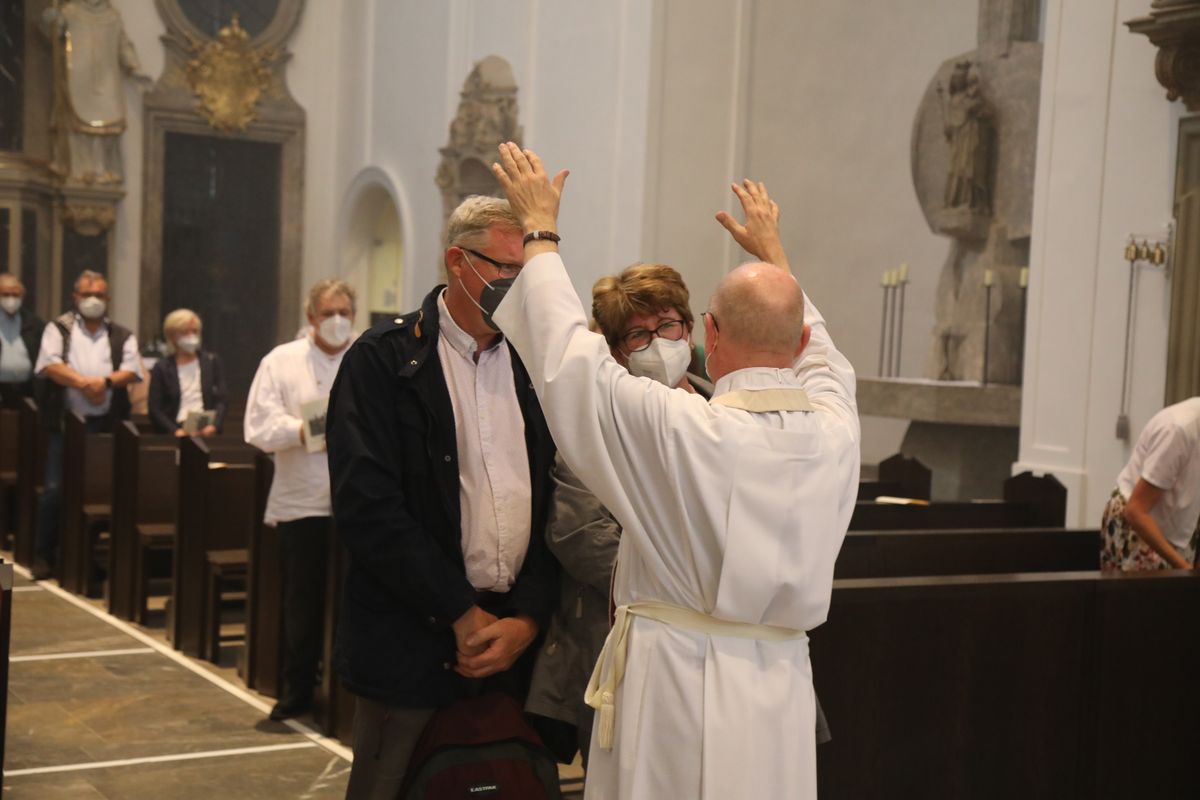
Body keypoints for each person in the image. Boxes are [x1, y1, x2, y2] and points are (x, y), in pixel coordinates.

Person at [490, 144, 859, 799]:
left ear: (706, 335)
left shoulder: (681, 426)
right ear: (800, 344)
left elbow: (570, 362)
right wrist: (775, 256)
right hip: (778, 683)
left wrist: (541, 232)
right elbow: (824, 354)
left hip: (677, 681)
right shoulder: (836, 424)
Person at [326, 196, 559, 796]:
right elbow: (367, 506)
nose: (518, 283)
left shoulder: (537, 364)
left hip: (513, 643)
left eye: (526, 270)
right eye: (504, 268)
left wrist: (529, 618)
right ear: (459, 261)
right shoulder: (382, 360)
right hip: (414, 637)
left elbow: (559, 496)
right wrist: (458, 609)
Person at [244, 279, 357, 721]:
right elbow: (258, 427)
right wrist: (308, 430)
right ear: (311, 316)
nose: (337, 320)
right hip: (301, 500)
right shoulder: (281, 361)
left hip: (356, 502)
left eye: (344, 311)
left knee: (353, 601)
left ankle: (347, 692)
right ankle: (297, 690)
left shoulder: (365, 357)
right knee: (302, 601)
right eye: (328, 312)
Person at [31, 270, 141, 580]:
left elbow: (132, 370)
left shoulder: (121, 334)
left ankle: (90, 561)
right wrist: (84, 384)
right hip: (67, 425)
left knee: (99, 493)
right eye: (86, 294)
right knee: (55, 490)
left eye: (99, 295)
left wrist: (103, 382)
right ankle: (44, 555)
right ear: (75, 297)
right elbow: (49, 365)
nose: (93, 300)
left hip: (106, 425)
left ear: (107, 299)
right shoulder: (59, 328)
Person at [1101, 397, 1200, 571]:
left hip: (1177, 524)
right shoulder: (1178, 430)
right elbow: (1135, 511)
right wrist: (1183, 569)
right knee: (1146, 597)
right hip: (1138, 527)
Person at [147, 308, 228, 436]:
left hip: (206, 428)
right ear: (172, 336)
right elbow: (155, 409)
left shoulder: (212, 361)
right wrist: (175, 431)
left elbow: (221, 400)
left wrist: (215, 425)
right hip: (176, 429)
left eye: (195, 331)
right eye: (185, 332)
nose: (191, 336)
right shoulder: (162, 367)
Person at [0, 274, 44, 408]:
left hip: (26, 391)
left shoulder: (34, 324)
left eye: (15, 294)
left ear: (22, 296)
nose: (11, 299)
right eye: (6, 294)